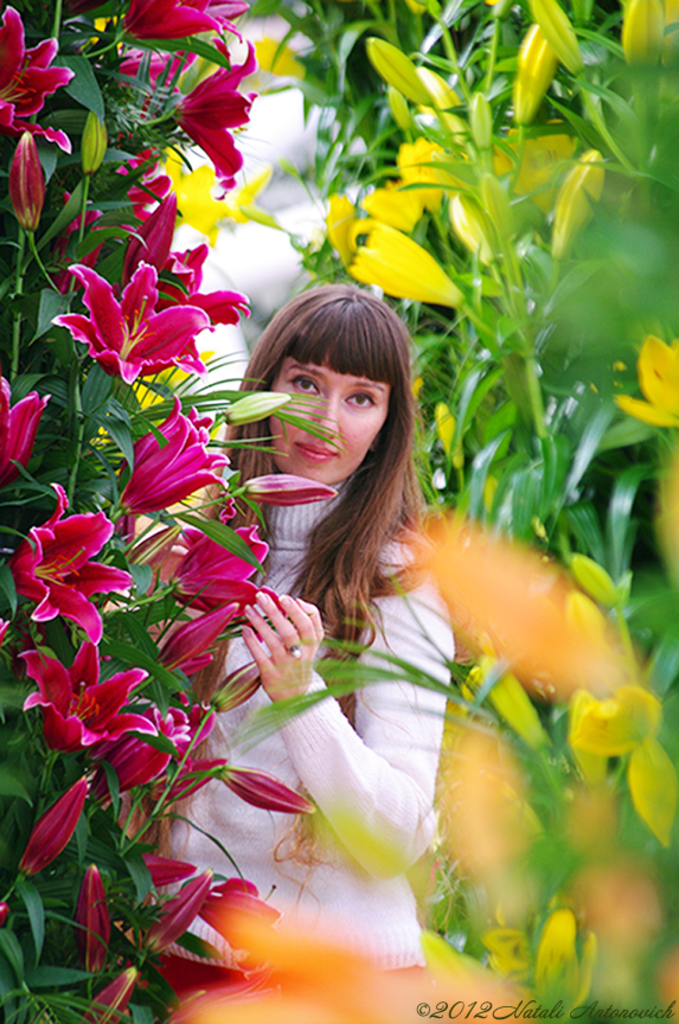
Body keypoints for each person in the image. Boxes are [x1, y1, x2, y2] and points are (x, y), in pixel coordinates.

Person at [170, 284, 454, 972]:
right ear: (264, 388)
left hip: (341, 980)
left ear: (387, 425)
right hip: (188, 962)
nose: (324, 419)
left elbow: (400, 835)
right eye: (304, 382)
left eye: (360, 397)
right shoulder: (195, 549)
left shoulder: (399, 586)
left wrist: (302, 695)